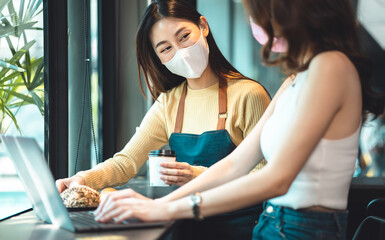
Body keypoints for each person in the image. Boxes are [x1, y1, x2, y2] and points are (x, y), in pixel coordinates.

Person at [93, 0, 385, 239]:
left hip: (302, 229)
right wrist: (157, 204)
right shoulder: (297, 79)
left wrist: (168, 210)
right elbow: (235, 163)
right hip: (273, 225)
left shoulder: (331, 66)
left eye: (256, 12)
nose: (254, 23)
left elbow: (277, 178)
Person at [56, 0, 270, 239]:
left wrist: (195, 175)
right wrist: (82, 179)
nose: (181, 51)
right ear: (158, 58)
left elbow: (264, 178)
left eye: (184, 36)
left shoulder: (249, 95)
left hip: (240, 229)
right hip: (187, 227)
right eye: (166, 48)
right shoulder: (168, 103)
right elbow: (126, 162)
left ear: (203, 26)